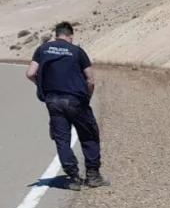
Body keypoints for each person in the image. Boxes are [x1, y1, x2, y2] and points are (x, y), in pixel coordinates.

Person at [26, 22, 108, 190]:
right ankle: (93, 176)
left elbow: (30, 73)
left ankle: (73, 178)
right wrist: (87, 98)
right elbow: (90, 80)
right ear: (70, 36)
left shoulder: (43, 49)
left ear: (56, 34)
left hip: (53, 101)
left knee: (62, 139)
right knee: (89, 134)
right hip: (75, 100)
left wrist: (41, 87)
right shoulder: (77, 51)